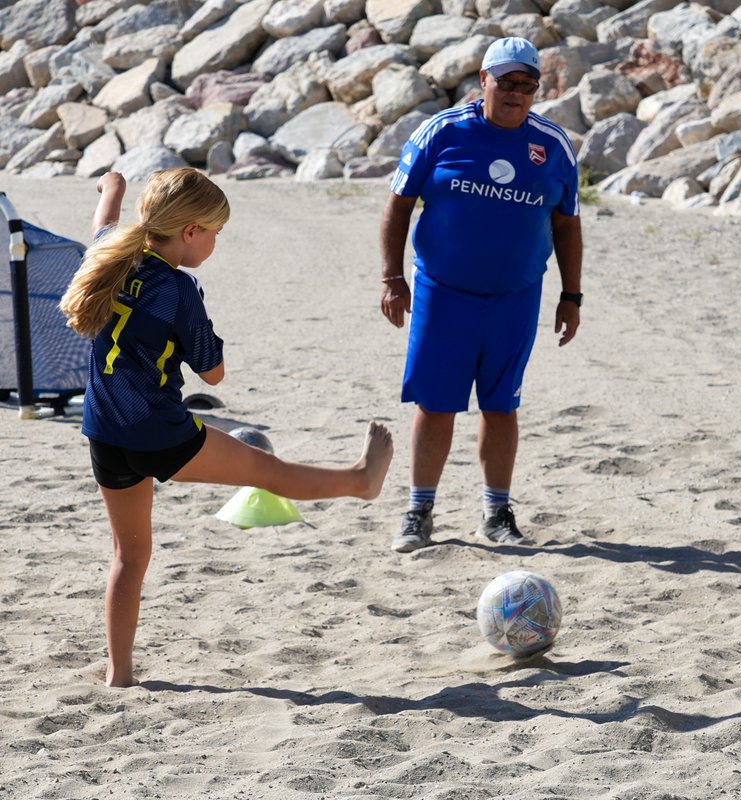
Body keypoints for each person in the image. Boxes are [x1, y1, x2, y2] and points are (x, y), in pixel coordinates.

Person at [60, 169, 394, 687]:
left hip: (104, 433)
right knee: (268, 472)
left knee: (129, 555)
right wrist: (200, 323)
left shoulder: (110, 254)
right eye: (215, 232)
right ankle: (360, 481)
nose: (216, 242)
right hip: (161, 434)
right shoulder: (177, 289)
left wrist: (113, 191)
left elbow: (103, 224)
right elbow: (213, 373)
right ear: (190, 231)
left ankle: (118, 674)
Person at [379, 36, 583, 553]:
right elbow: (399, 205)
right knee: (435, 403)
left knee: (501, 406)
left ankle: (496, 513)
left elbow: (567, 225)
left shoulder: (553, 146)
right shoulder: (443, 131)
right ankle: (418, 512)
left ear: (537, 89)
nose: (516, 93)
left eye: (527, 85)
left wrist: (572, 296)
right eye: (506, 81)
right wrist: (391, 278)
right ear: (483, 81)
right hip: (442, 295)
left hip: (515, 299)